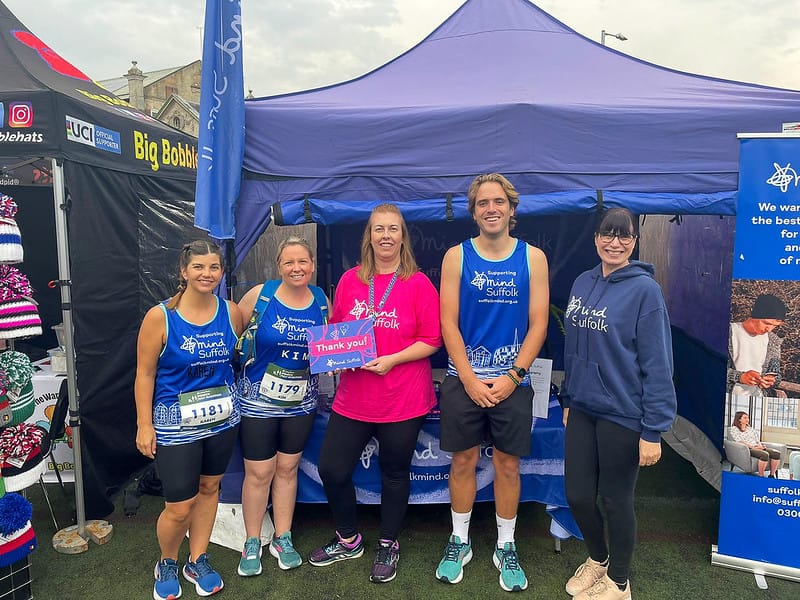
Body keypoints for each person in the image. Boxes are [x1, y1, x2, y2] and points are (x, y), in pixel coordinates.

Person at [307, 203, 441, 584]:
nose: (385, 235)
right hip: (355, 397)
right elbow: (337, 332)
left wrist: (393, 359)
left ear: (403, 236)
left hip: (403, 397)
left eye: (392, 229)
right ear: (368, 236)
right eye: (378, 228)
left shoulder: (417, 282)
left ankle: (388, 543)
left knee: (394, 473)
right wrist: (340, 356)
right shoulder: (351, 280)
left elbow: (432, 339)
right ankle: (348, 539)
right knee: (332, 468)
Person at [436, 173, 549, 593]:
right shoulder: (456, 256)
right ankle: (459, 540)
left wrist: (514, 376)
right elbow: (448, 322)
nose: (491, 209)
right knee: (462, 461)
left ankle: (506, 545)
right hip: (463, 380)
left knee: (507, 464)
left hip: (512, 382)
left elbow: (539, 323)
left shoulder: (533, 257)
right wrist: (468, 378)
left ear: (512, 209)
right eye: (482, 203)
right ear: (474, 211)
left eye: (498, 202)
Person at [561, 207, 677, 600]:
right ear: (595, 238)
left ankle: (619, 584)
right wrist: (568, 396)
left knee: (614, 500)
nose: (615, 242)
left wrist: (653, 430)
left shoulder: (646, 291)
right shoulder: (581, 282)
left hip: (624, 413)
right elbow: (573, 347)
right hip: (582, 408)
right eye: (608, 234)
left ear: (634, 241)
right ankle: (598, 559)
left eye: (624, 236)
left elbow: (658, 364)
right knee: (577, 494)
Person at [135, 240, 243, 600]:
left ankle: (198, 558)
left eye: (214, 267)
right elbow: (145, 373)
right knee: (179, 507)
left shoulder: (230, 312)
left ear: (221, 273)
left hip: (222, 420)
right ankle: (167, 560)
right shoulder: (160, 316)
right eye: (198, 267)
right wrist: (144, 424)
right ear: (183, 271)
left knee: (210, 489)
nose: (207, 274)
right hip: (175, 424)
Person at [236, 237, 330, 576]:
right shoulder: (261, 295)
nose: (296, 268)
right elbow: (234, 334)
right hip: (258, 402)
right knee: (259, 473)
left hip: (300, 403)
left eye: (303, 262)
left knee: (288, 470)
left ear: (312, 265)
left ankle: (283, 536)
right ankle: (251, 540)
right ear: (279, 266)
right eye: (290, 262)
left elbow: (326, 348)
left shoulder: (321, 300)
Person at [728, 294, 786, 399]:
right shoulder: (727, 332)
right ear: (755, 315)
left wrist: (771, 379)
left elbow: (776, 374)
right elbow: (712, 368)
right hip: (727, 397)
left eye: (775, 326)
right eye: (766, 323)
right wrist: (740, 377)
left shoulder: (773, 340)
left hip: (757, 398)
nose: (769, 329)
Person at [729, 411, 781, 477]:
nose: (747, 419)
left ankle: (771, 475)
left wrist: (760, 446)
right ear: (739, 419)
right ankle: (761, 476)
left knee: (776, 453)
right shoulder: (734, 429)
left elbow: (757, 440)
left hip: (757, 447)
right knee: (764, 454)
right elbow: (740, 441)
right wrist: (754, 448)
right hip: (747, 449)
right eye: (745, 418)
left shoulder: (751, 429)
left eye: (748, 418)